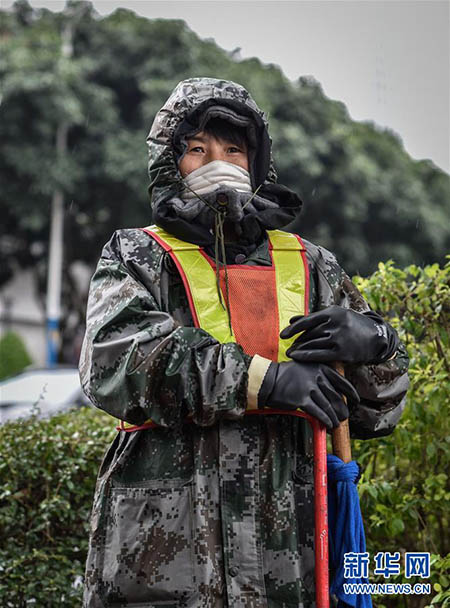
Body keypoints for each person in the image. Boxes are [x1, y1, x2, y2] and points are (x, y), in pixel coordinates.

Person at [79, 77, 409, 608]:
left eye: (234, 149)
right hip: (166, 556)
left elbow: (377, 413)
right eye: (196, 149)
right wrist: (267, 379)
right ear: (169, 160)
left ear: (257, 163)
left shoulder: (312, 263)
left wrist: (377, 344)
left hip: (294, 558)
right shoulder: (138, 256)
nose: (219, 161)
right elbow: (116, 361)